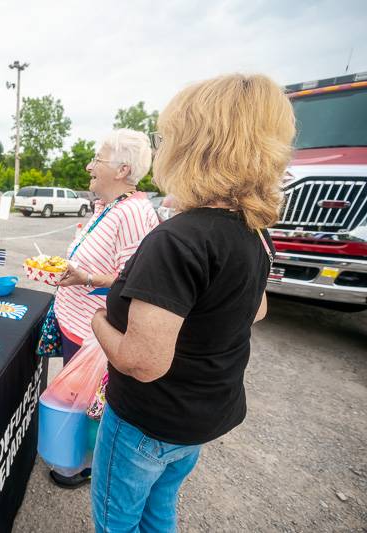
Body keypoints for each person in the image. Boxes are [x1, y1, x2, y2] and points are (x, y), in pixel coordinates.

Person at [90, 73, 295, 532]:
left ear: (195, 144)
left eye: (166, 137)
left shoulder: (177, 239)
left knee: (115, 521)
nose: (161, 148)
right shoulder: (255, 232)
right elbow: (256, 310)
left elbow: (142, 363)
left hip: (149, 421)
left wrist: (99, 318)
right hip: (203, 417)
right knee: (159, 512)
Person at [48, 129, 159, 489]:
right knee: (77, 399)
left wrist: (86, 278)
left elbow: (136, 281)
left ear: (123, 169)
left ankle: (85, 465)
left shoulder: (135, 213)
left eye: (97, 159)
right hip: (76, 326)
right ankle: (73, 455)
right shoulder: (108, 206)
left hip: (94, 334)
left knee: (90, 406)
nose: (88, 165)